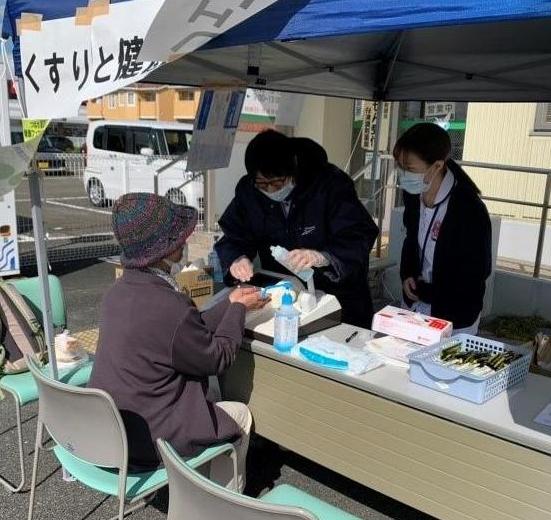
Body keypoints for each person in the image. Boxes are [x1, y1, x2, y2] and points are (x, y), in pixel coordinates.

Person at [89, 193, 267, 491]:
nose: (184, 241)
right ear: (162, 249)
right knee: (241, 416)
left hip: (113, 429)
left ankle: (198, 485)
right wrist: (237, 311)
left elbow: (183, 331)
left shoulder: (118, 292)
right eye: (176, 237)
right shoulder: (168, 305)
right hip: (152, 439)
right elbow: (217, 358)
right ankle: (222, 505)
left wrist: (231, 302)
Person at [215, 130, 379, 328]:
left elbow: (358, 234)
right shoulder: (249, 191)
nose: (270, 190)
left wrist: (323, 256)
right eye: (262, 184)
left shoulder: (329, 184)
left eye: (277, 182)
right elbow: (233, 235)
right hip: (284, 296)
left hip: (340, 299)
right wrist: (237, 258)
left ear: (293, 168)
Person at [394, 123, 492, 334]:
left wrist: (430, 292)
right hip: (416, 304)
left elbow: (475, 273)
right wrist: (407, 275)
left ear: (437, 166)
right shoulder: (413, 194)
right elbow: (411, 239)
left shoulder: (468, 209)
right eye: (399, 166)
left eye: (409, 169)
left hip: (454, 314)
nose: (403, 174)